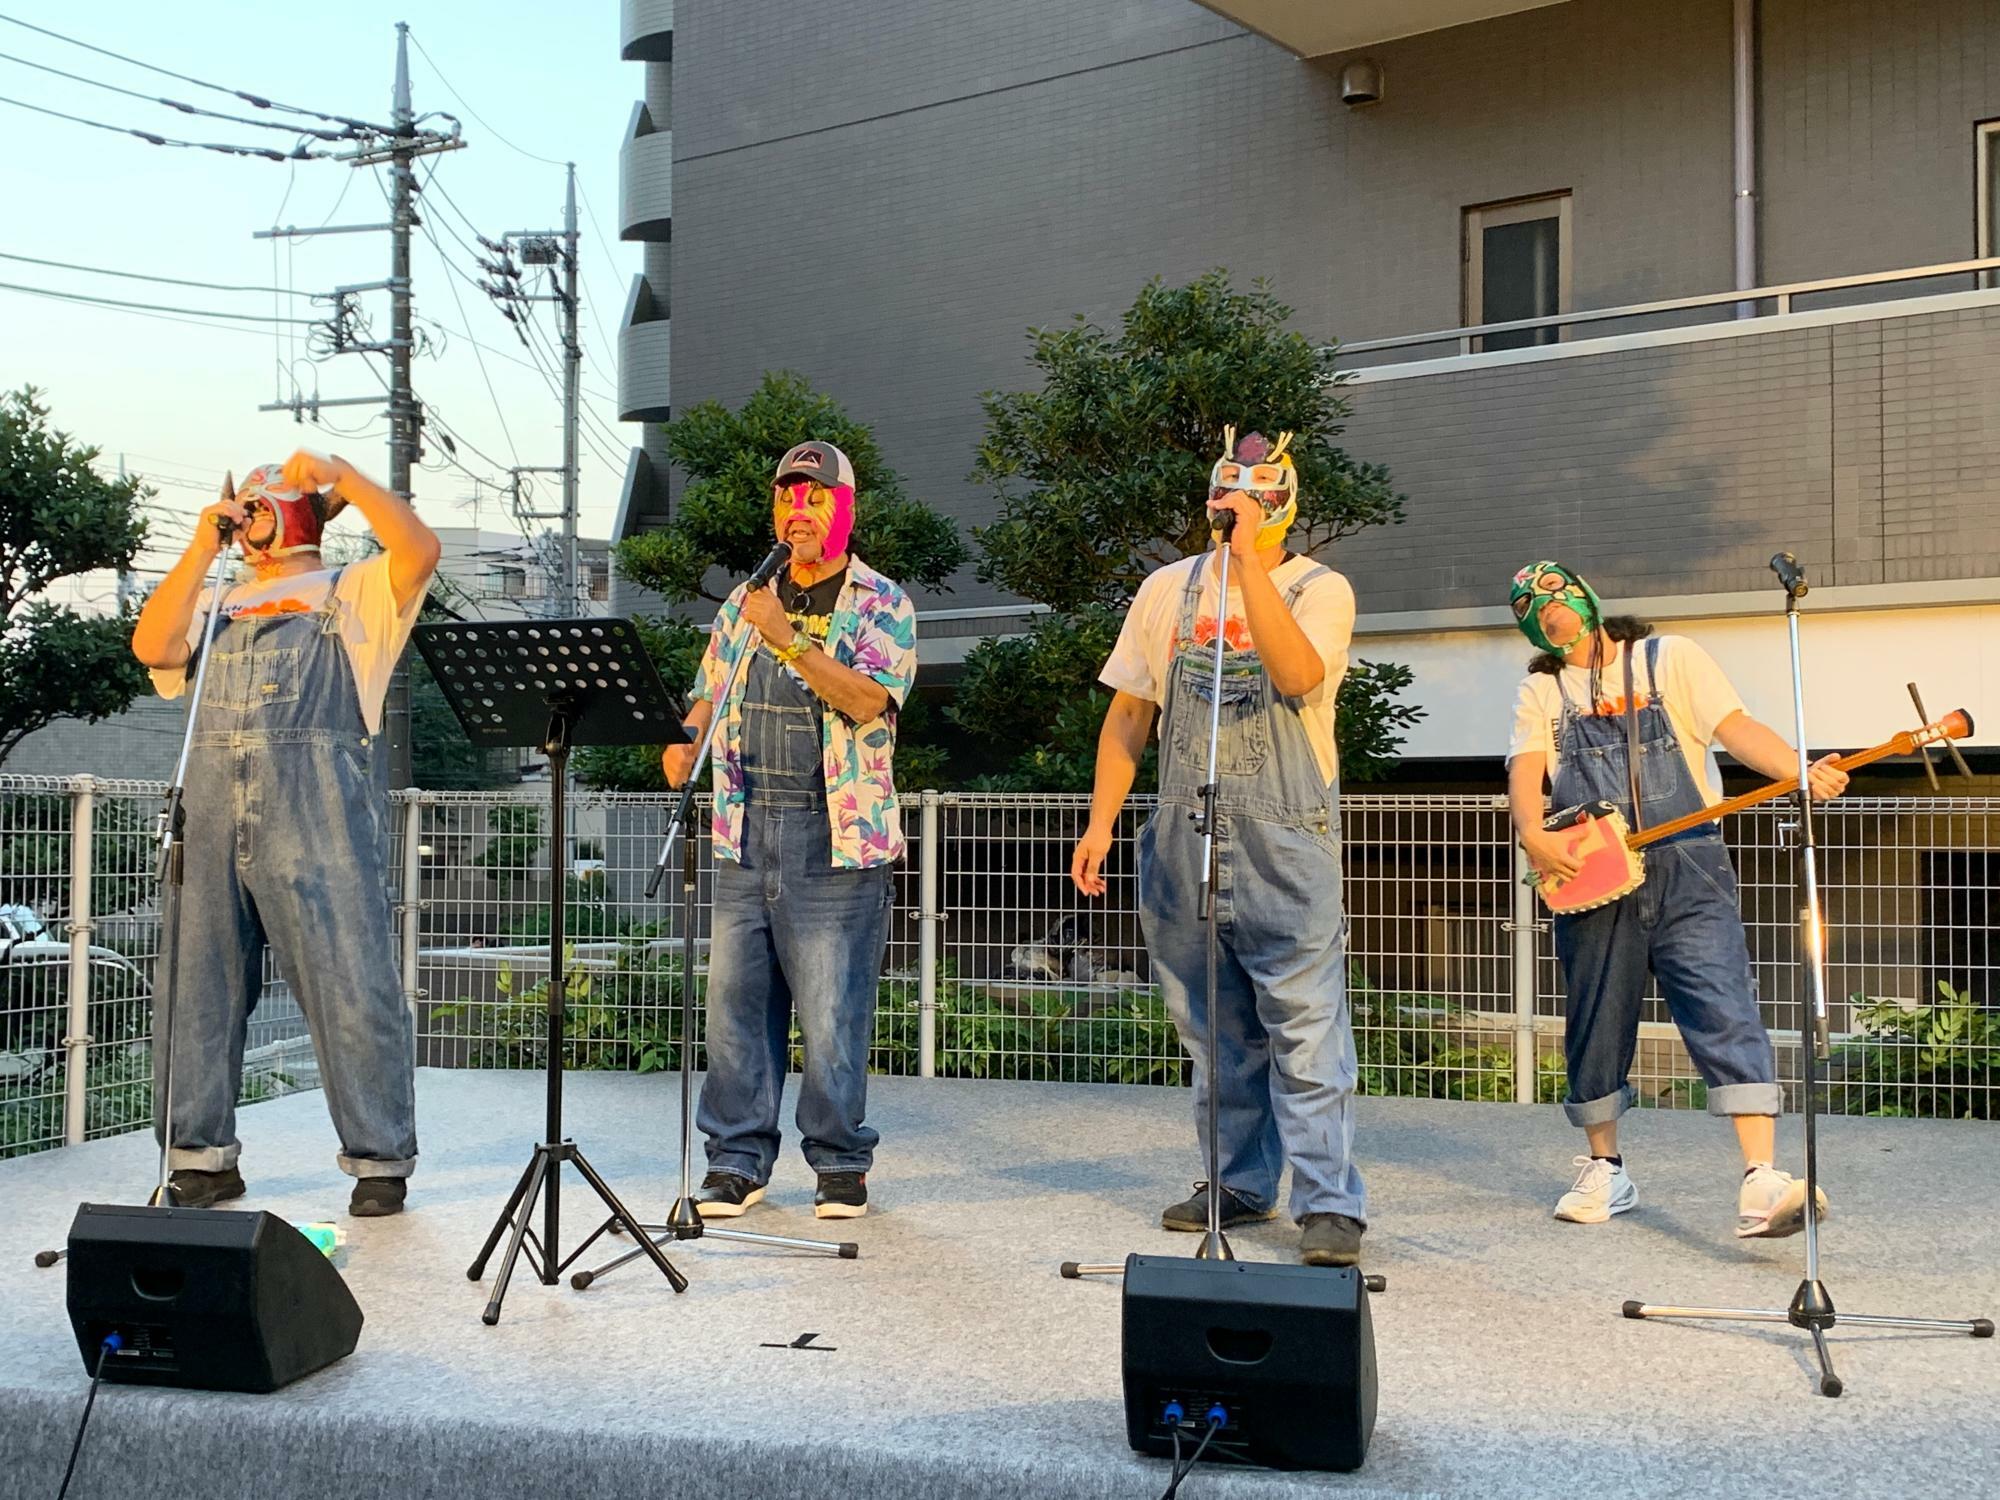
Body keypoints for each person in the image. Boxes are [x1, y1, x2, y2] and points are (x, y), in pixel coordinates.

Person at [1070, 429, 1368, 1268]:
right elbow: (1131, 712)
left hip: (1284, 832)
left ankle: (1328, 1204)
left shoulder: (1320, 588)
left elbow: (1299, 674)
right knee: (1211, 1025)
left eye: (1251, 496)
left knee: (1306, 1027)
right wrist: (1101, 822)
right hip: (1180, 828)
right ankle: (1234, 1180)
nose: (1232, 506)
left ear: (1280, 504)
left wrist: (1245, 572)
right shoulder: (1168, 588)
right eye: (1224, 494)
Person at [130, 452, 440, 1216]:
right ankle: (200, 1157)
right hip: (206, 815)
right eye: (250, 494)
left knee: (349, 979)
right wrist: (205, 542)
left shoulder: (355, 590)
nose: (258, 502)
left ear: (312, 510)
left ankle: (378, 1161)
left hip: (318, 816)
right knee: (194, 987)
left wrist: (348, 477)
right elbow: (153, 648)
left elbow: (420, 550)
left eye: (277, 492)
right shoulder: (218, 599)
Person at [1505, 560, 1843, 1236]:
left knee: (1724, 1004)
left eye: (1559, 603)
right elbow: (1527, 766)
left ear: (1588, 599)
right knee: (1597, 1020)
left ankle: (1760, 1179)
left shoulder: (1669, 659)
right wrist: (1533, 832)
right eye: (1535, 615)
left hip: (1690, 864)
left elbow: (1736, 727)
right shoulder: (1542, 690)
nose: (1551, 617)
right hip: (1593, 874)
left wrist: (1797, 771)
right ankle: (1607, 1169)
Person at [663, 441, 916, 1220]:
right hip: (743, 825)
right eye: (786, 499)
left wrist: (787, 637)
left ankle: (840, 1160)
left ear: (845, 508)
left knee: (830, 1010)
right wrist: (683, 737)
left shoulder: (882, 603)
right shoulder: (749, 597)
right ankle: (737, 1157)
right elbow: (709, 690)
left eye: (813, 499)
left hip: (834, 835)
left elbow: (870, 702)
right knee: (735, 1007)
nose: (797, 512)